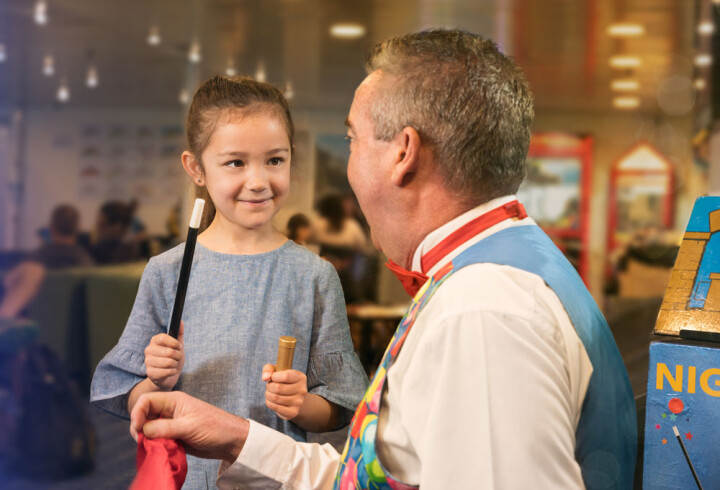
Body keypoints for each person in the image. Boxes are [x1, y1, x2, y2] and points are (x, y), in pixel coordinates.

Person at [130, 30, 637, 489]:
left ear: (403, 153)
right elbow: (388, 473)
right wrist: (239, 437)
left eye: (351, 139)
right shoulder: (497, 272)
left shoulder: (482, 311)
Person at [91, 76, 368, 487]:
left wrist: (302, 403)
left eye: (275, 160)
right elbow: (132, 397)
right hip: (184, 476)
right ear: (196, 168)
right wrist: (154, 381)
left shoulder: (314, 275)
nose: (258, 180)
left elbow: (341, 404)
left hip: (277, 476)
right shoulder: (167, 271)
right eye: (236, 162)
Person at [0, 205, 93, 319]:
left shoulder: (35, 259)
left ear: (51, 227)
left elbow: (8, 283)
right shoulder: (87, 261)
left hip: (31, 318)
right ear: (78, 229)